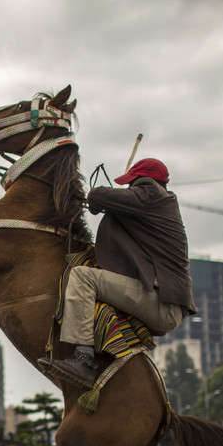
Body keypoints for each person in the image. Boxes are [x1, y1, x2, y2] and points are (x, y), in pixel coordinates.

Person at [39, 158, 197, 388]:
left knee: (84, 277)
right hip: (166, 303)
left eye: (131, 184)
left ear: (141, 181)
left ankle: (83, 358)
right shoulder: (153, 205)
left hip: (163, 304)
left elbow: (97, 196)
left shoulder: (152, 193)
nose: (131, 188)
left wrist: (103, 198)